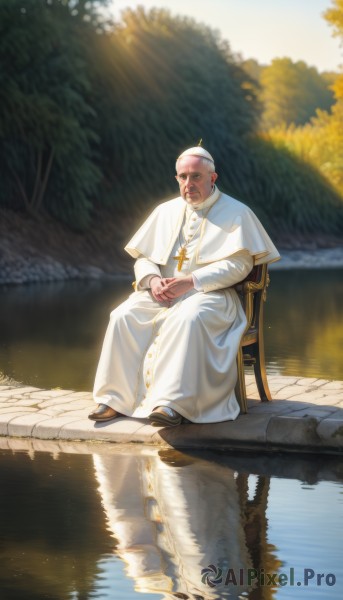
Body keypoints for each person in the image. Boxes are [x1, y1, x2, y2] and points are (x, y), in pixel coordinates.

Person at [89, 146, 280, 426]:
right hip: (163, 293)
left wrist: (191, 282)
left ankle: (171, 404)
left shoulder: (237, 213)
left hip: (213, 296)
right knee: (123, 316)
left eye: (196, 177)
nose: (188, 184)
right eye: (182, 177)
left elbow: (239, 266)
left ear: (212, 177)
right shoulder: (164, 212)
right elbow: (144, 259)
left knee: (188, 319)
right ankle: (113, 400)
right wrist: (153, 281)